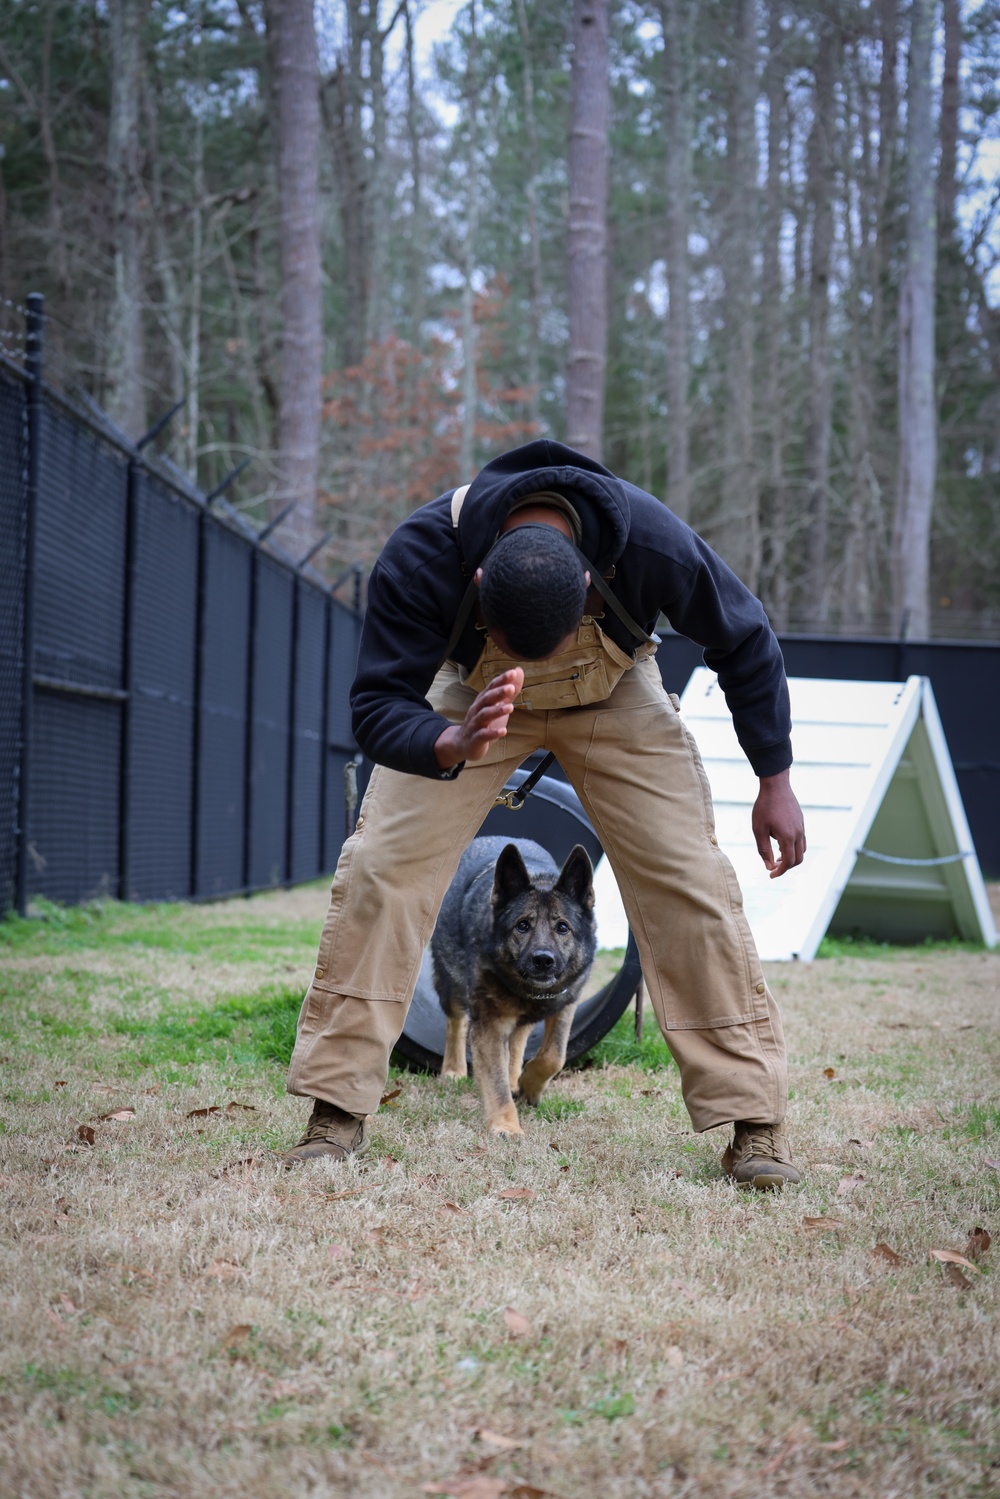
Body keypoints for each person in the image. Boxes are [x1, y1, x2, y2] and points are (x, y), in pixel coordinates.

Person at [282, 439, 806, 1189]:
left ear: (595, 583)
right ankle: (335, 1108)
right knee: (380, 867)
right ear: (476, 581)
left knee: (690, 878)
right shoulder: (421, 555)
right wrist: (447, 738)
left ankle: (753, 1120)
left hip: (613, 691)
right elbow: (373, 704)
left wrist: (775, 778)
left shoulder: (654, 541)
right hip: (470, 697)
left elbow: (745, 637)